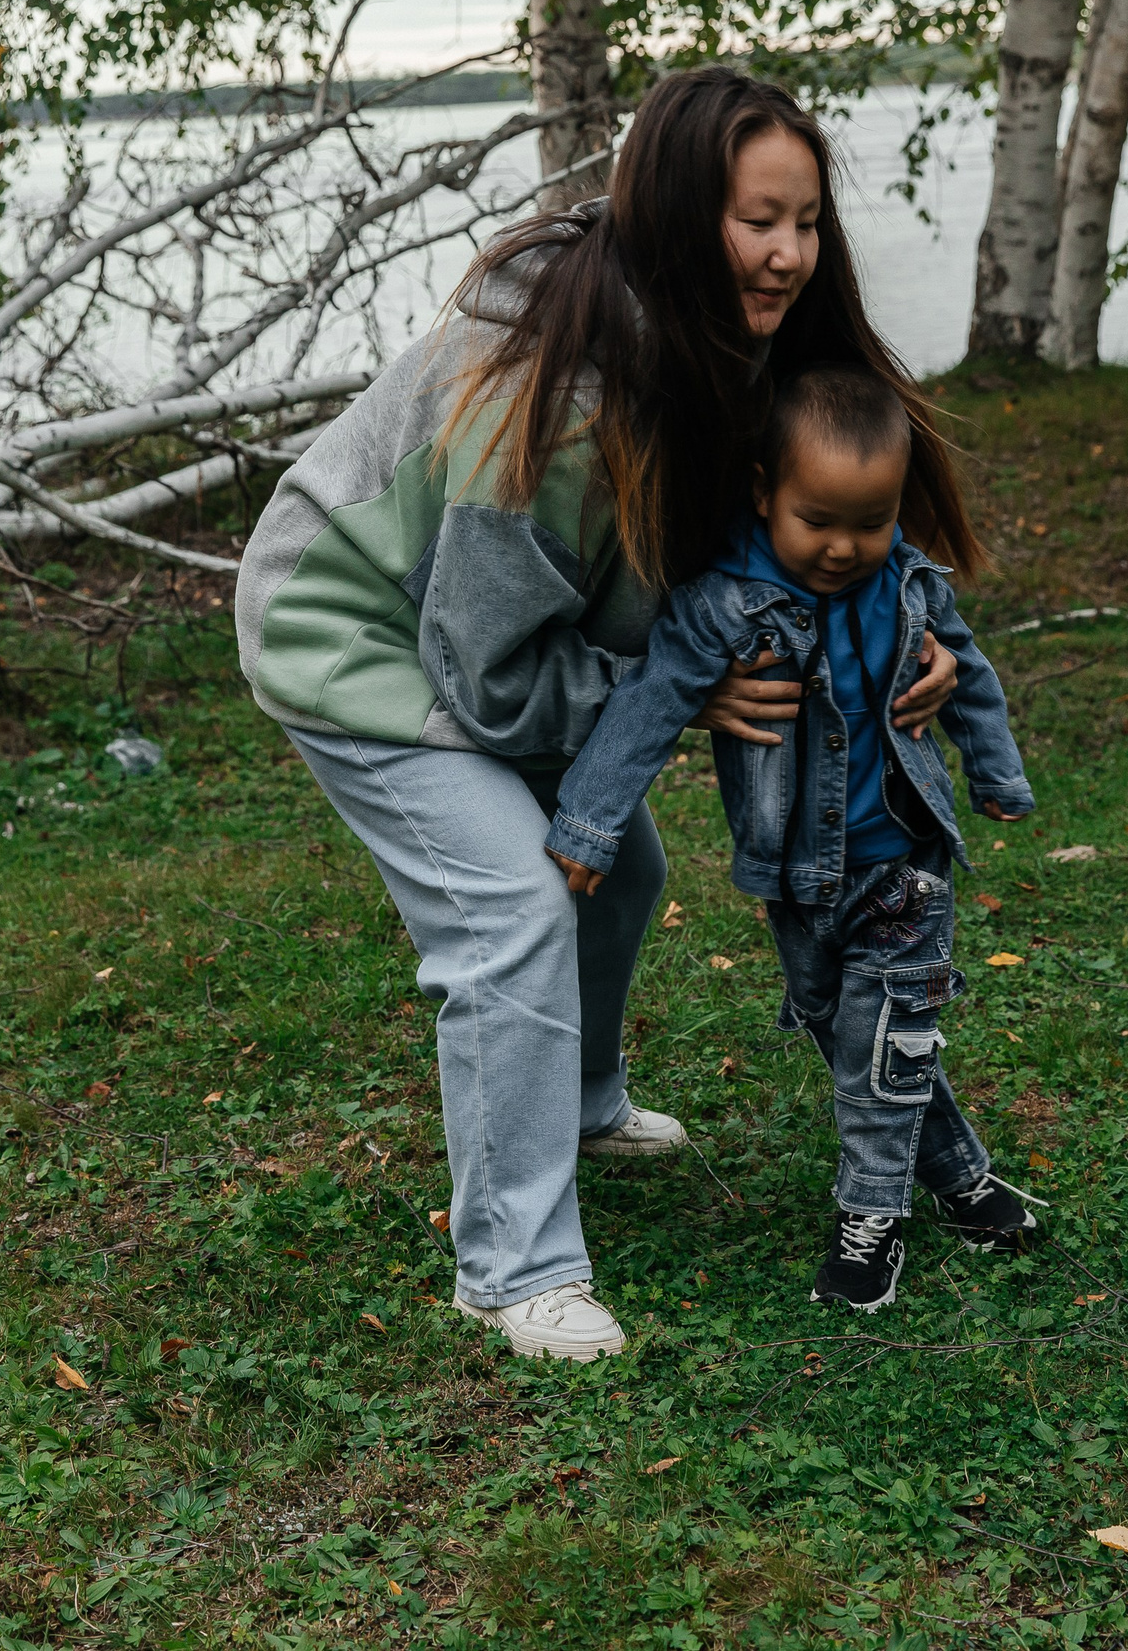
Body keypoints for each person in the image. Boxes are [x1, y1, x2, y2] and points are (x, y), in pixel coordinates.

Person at [235, 68, 961, 1359]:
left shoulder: (723, 342)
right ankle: (515, 1269)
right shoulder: (554, 392)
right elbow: (489, 670)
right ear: (678, 209)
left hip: (481, 633)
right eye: (758, 220)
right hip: (354, 639)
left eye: (805, 222)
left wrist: (916, 639)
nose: (789, 255)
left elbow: (811, 515)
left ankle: (578, 1107)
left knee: (621, 873)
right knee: (516, 902)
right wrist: (676, 701)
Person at [542, 363, 1039, 1313]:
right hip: (798, 880)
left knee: (887, 1040)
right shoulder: (722, 604)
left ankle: (871, 1222)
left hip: (904, 865)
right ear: (767, 492)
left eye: (873, 520)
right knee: (860, 1039)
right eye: (820, 521)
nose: (848, 547)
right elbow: (649, 705)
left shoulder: (908, 583)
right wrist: (591, 822)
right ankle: (967, 1186)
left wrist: (997, 771)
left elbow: (966, 670)